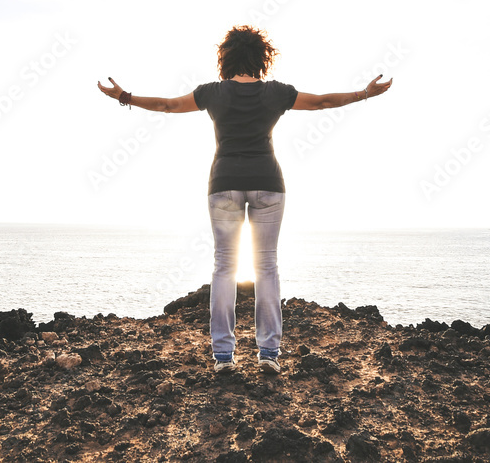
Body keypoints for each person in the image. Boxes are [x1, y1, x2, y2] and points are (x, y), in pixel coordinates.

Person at [97, 25, 392, 375]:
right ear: (262, 58)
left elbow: (165, 105)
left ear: (226, 57)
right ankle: (269, 354)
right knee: (266, 266)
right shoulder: (276, 93)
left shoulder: (212, 93)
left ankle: (224, 357)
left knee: (225, 267)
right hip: (268, 182)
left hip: (224, 184)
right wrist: (365, 93)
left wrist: (124, 96)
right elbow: (323, 102)